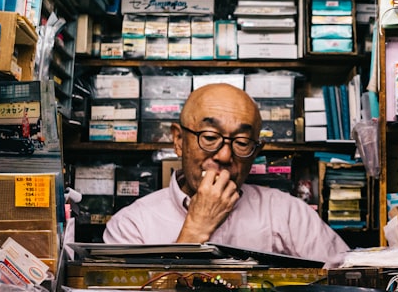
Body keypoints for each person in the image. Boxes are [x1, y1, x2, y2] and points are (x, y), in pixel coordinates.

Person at [103, 83, 349, 262]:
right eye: (209, 138)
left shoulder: (288, 213)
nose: (224, 156)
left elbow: (345, 280)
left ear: (255, 152)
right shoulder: (132, 225)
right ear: (179, 140)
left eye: (241, 142)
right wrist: (196, 229)